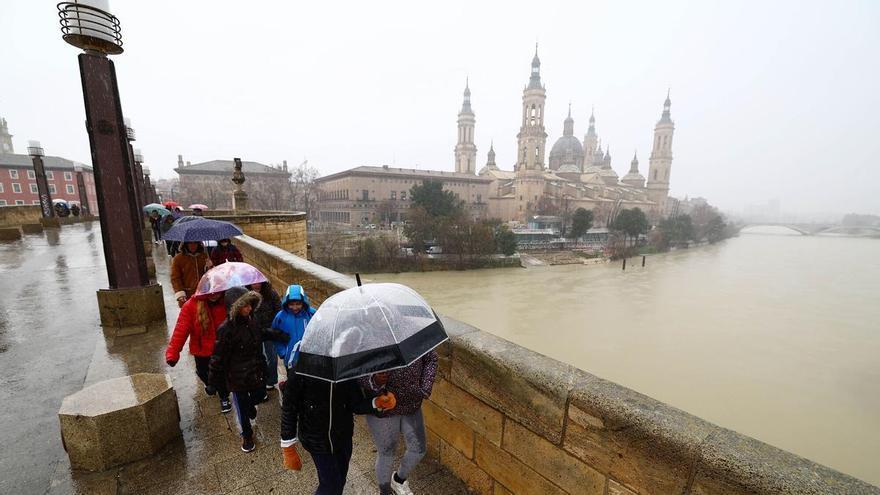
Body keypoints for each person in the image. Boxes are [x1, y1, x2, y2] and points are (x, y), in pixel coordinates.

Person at [280, 369, 397, 494]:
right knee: (330, 486)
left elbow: (355, 404)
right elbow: (289, 409)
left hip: (343, 438)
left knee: (340, 480)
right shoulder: (302, 369)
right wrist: (288, 446)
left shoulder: (346, 369)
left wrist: (376, 402)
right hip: (317, 441)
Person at [208, 287, 289, 453]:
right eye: (245, 306)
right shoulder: (225, 330)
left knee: (259, 396)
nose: (249, 309)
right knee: (242, 409)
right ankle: (247, 435)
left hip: (256, 371)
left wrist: (278, 334)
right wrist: (212, 382)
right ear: (235, 308)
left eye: (250, 305)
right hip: (237, 378)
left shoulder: (252, 320)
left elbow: (261, 333)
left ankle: (251, 405)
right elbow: (217, 358)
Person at [361, 351, 438, 495]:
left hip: (412, 404)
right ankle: (384, 491)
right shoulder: (368, 338)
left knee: (418, 449)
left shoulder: (413, 332)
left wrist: (425, 388)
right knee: (387, 453)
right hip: (384, 408)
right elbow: (357, 373)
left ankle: (398, 480)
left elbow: (431, 358)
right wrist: (375, 380)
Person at [165, 291, 232, 414]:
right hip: (201, 350)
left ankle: (224, 397)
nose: (214, 295)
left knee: (220, 374)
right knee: (202, 372)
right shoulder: (191, 306)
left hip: (220, 349)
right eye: (211, 292)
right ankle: (211, 384)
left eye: (217, 292)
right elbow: (181, 330)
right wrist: (173, 353)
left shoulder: (226, 302)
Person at [271, 285, 316, 381]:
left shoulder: (311, 314)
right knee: (293, 382)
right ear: (286, 303)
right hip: (290, 360)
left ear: (303, 302)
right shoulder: (280, 317)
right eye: (291, 304)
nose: (295, 307)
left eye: (298, 304)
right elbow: (275, 336)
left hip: (308, 358)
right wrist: (283, 352)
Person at [248, 281, 282, 395]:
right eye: (253, 283)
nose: (256, 285)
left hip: (269, 329)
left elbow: (279, 309)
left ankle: (271, 380)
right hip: (255, 331)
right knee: (258, 357)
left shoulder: (271, 294)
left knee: (272, 357)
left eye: (258, 283)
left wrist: (275, 325)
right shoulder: (246, 295)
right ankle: (260, 380)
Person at [171, 241, 212, 308]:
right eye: (190, 243)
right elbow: (175, 278)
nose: (193, 246)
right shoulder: (178, 259)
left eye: (195, 243)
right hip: (187, 295)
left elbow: (210, 275)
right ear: (185, 244)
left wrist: (210, 266)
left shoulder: (204, 256)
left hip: (203, 293)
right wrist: (180, 293)